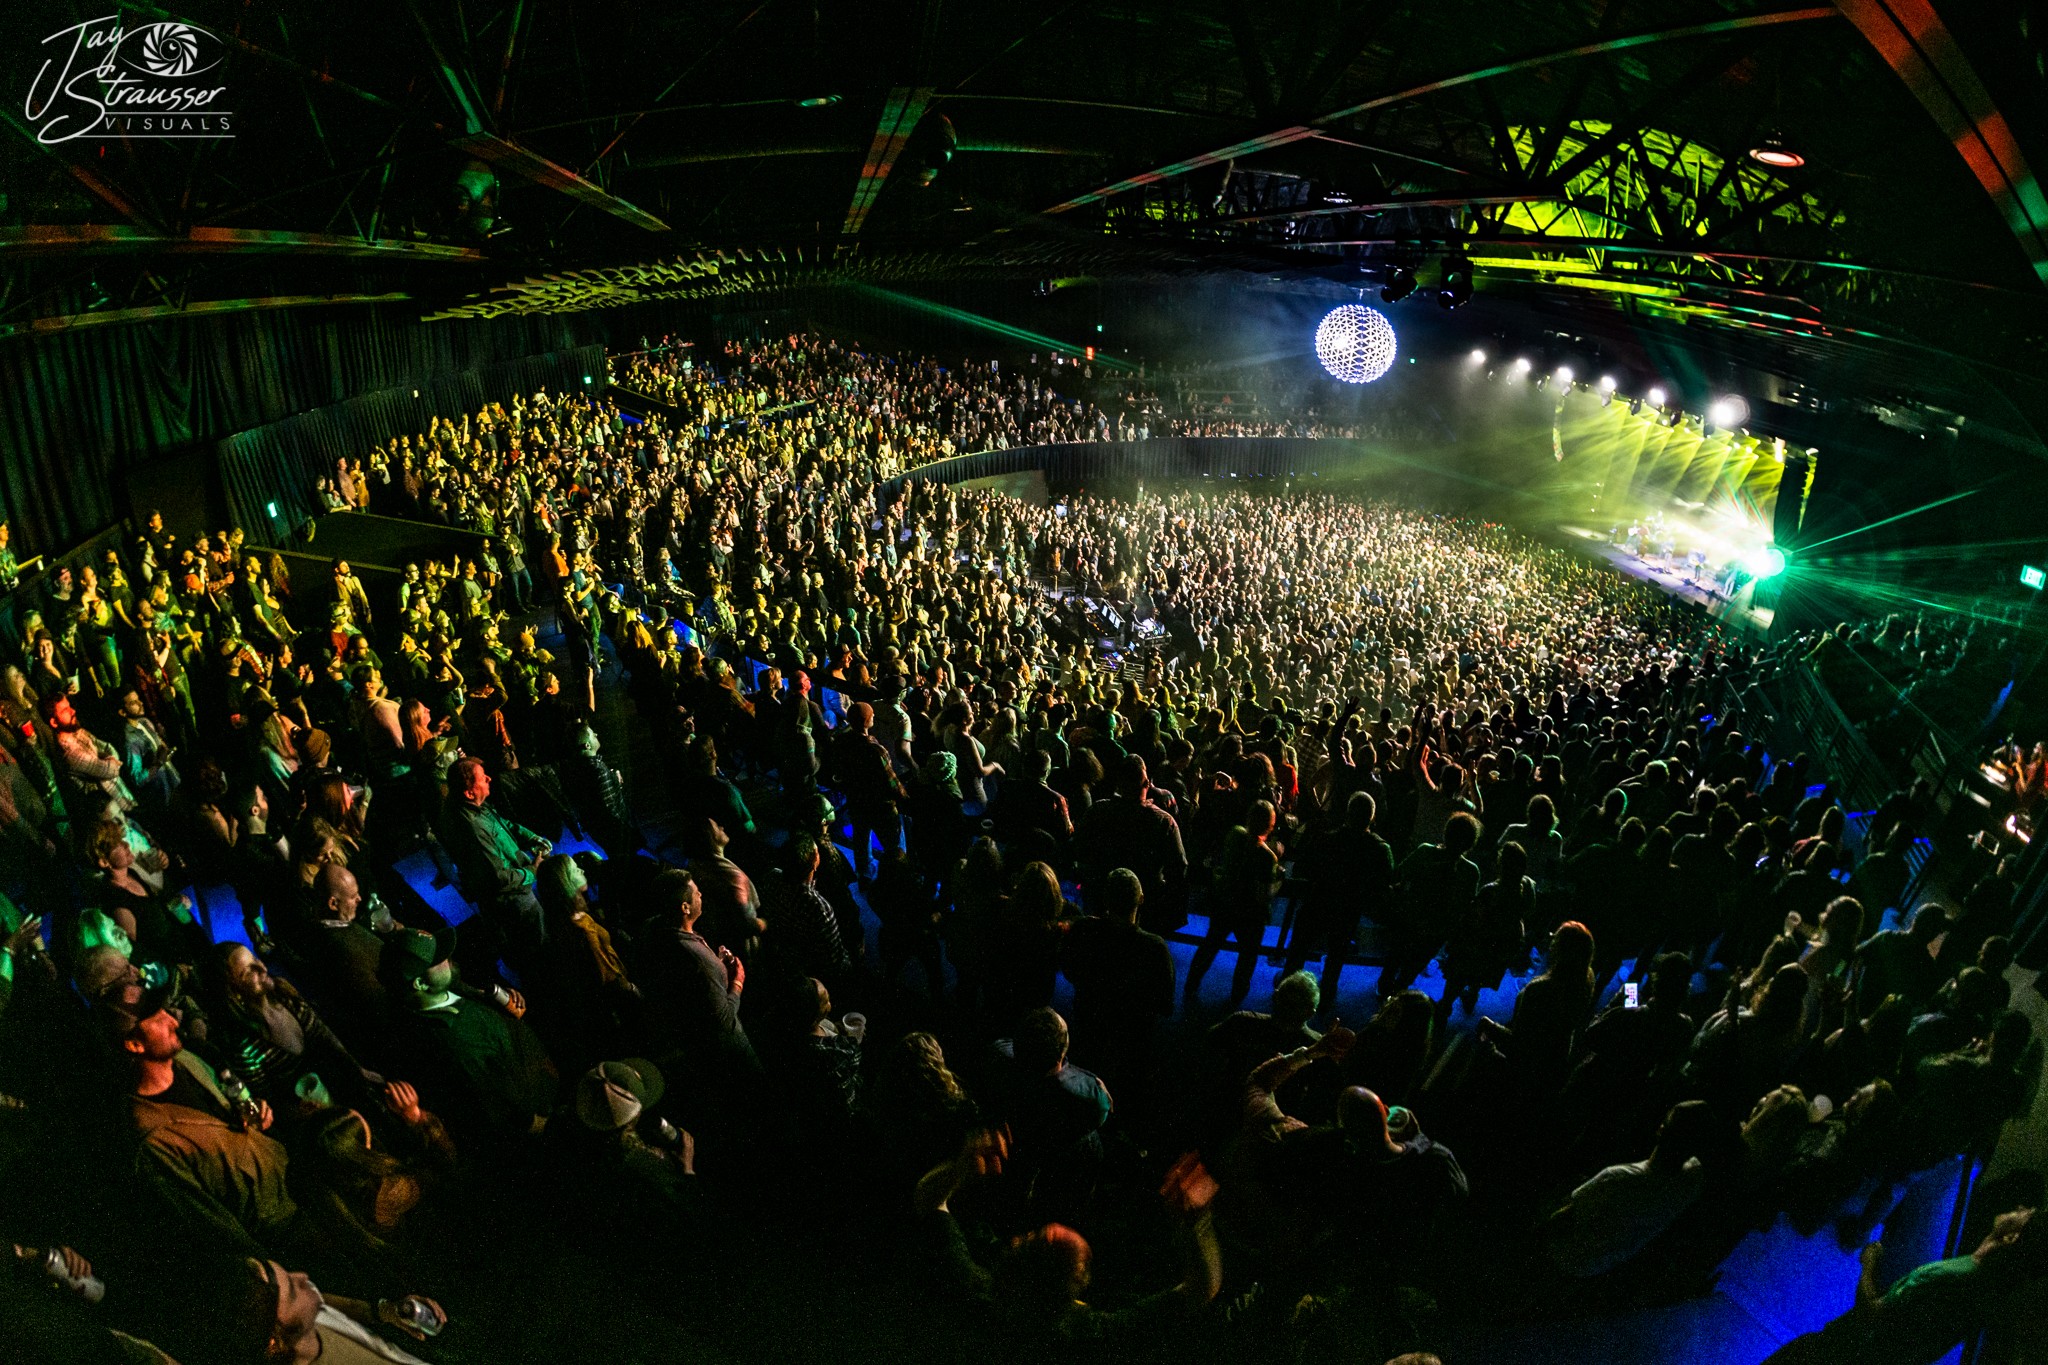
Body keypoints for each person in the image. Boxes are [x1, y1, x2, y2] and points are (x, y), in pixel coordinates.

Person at [1761, 1208, 2047, 1364]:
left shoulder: (1953, 1277)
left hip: (1839, 1352)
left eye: (2026, 1213)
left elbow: (1871, 1314)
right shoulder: (1989, 1292)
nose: (2020, 1207)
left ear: (2012, 1238)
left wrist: (1868, 1263)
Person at [382, 926, 556, 1150]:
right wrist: (533, 1123)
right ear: (420, 983)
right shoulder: (455, 1042)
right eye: (438, 959)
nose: (447, 958)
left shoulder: (447, 989)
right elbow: (494, 1099)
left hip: (542, 1074)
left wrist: (498, 1005)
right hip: (541, 1107)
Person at [1541, 1100, 1729, 1277]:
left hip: (1563, 1256)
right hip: (1601, 1266)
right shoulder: (1692, 1181)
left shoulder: (1618, 1177)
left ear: (1661, 1130)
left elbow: (1558, 1220)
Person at [1060, 868, 1175, 1088]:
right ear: (1141, 899)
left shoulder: (1083, 930)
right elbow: (1165, 1005)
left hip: (1088, 1025)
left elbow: (1069, 970)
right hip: (1133, 1039)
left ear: (1106, 899)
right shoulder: (1155, 947)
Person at [436, 756, 550, 973]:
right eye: (482, 778)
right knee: (537, 947)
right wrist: (532, 871)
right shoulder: (472, 828)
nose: (489, 778)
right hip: (513, 900)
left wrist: (531, 837)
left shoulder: (472, 806)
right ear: (469, 793)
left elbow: (501, 824)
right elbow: (498, 878)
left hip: (515, 889)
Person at [1184, 799, 1281, 1008]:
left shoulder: (1235, 835)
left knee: (1210, 944)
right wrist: (1278, 879)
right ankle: (1237, 997)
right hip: (1249, 913)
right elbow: (1263, 895)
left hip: (1225, 902)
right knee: (1248, 955)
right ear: (1270, 826)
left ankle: (1190, 984)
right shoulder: (1267, 857)